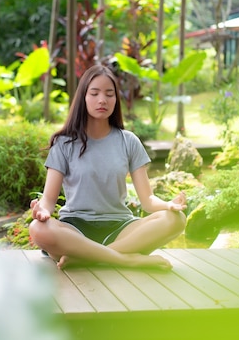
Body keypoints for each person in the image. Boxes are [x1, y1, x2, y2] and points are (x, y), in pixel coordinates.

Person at [29, 65, 187, 270]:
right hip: (75, 229)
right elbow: (49, 200)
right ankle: (125, 258)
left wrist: (168, 205)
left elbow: (147, 201)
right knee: (38, 229)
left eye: (109, 94)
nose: (102, 100)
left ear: (115, 100)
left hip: (121, 227)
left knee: (176, 220)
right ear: (83, 98)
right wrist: (42, 211)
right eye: (94, 93)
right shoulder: (64, 143)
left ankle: (86, 258)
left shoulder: (129, 141)